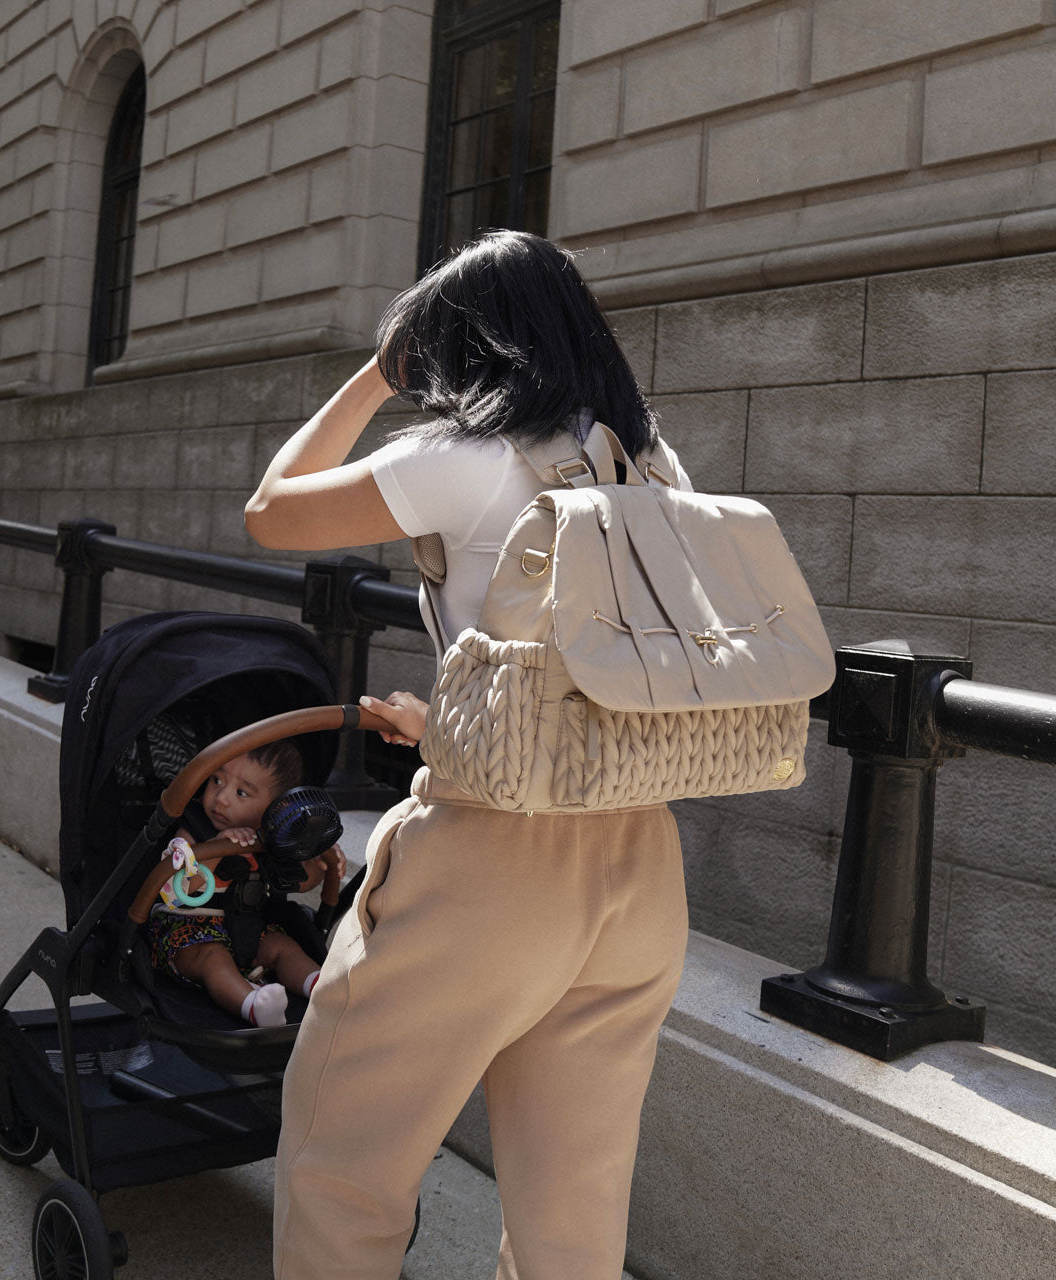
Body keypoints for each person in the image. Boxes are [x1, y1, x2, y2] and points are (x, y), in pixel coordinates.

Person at [246, 230, 691, 1280]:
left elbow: (272, 510)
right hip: (638, 861)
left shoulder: (461, 458)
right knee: (571, 1216)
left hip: (492, 860)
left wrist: (372, 375)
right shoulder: (652, 464)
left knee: (341, 1163)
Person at [146, 738, 346, 1028]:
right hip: (185, 931)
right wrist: (216, 849)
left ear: (276, 807)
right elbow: (174, 891)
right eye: (216, 780)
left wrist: (319, 860)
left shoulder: (272, 839)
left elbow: (302, 884)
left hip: (248, 929)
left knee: (283, 947)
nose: (221, 798)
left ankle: (325, 989)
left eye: (241, 792)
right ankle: (253, 1005)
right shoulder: (193, 830)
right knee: (214, 958)